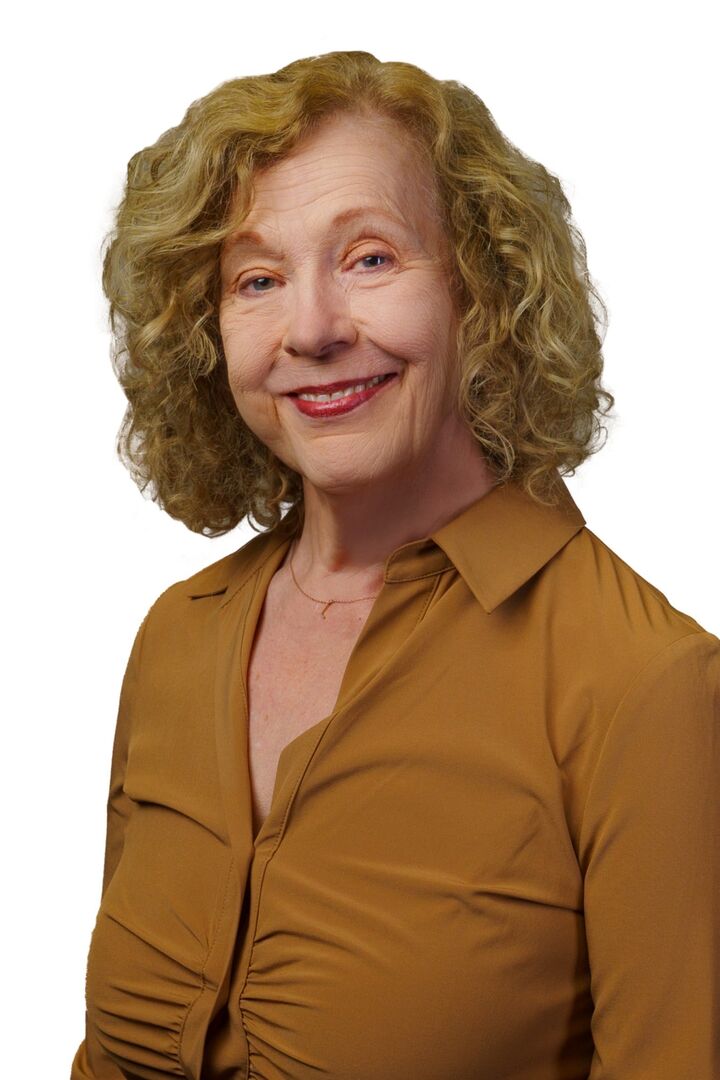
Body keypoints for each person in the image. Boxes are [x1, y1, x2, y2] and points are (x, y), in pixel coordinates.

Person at [70, 50, 719, 1080]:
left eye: (369, 259)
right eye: (257, 280)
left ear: (483, 290)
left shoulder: (643, 682)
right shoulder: (178, 635)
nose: (313, 329)